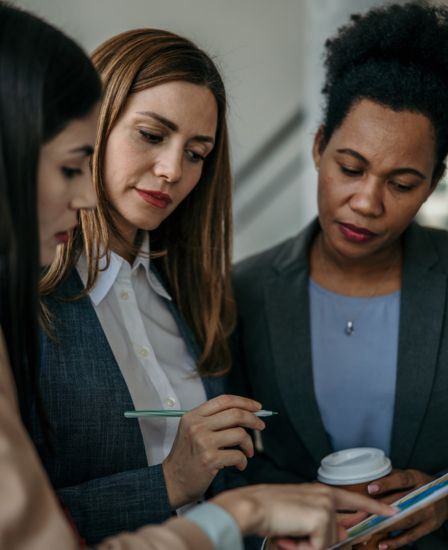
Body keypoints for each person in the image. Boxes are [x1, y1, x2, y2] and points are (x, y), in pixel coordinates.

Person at [0, 3, 396, 550]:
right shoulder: (20, 297)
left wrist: (277, 525)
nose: (172, 170)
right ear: (94, 125)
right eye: (150, 135)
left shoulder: (197, 299)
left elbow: (226, 492)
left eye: (196, 153)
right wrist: (168, 481)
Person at [228, 2, 448, 549]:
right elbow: (231, 470)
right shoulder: (244, 291)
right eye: (351, 169)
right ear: (319, 146)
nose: (367, 202)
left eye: (402, 184)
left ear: (434, 181)